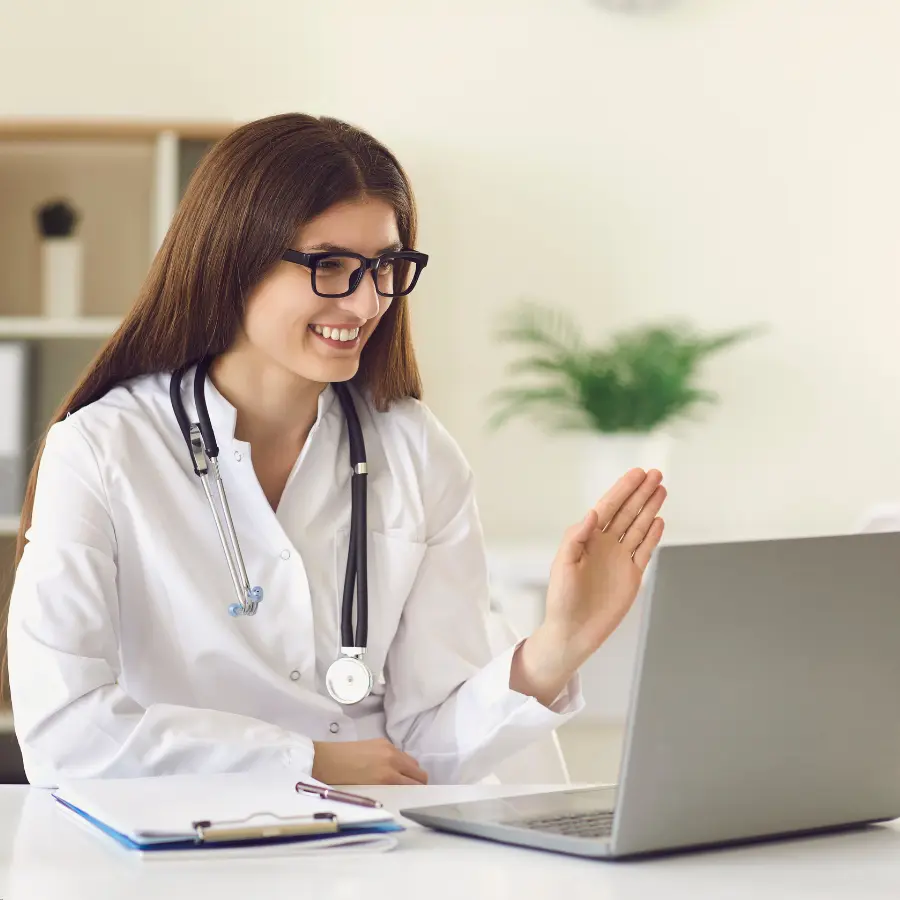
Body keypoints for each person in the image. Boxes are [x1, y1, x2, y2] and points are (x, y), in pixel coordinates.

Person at [4, 113, 667, 788]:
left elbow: (429, 747)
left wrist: (558, 646)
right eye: (331, 266)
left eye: (386, 267)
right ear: (234, 259)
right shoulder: (102, 449)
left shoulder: (417, 451)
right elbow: (65, 733)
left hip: (372, 849)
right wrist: (305, 761)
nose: (366, 301)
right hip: (174, 855)